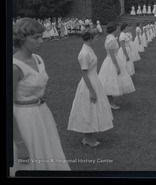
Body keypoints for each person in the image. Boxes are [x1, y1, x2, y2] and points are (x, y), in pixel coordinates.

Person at [12, 18, 70, 172]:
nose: (41, 41)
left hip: (42, 114)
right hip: (23, 121)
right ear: (22, 38)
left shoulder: (38, 59)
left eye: (41, 36)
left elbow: (38, 92)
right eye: (36, 37)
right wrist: (19, 143)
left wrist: (47, 120)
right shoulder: (14, 67)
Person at [67, 27, 113, 147]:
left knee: (94, 108)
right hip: (89, 83)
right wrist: (92, 91)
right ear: (90, 38)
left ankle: (89, 135)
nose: (97, 38)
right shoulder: (84, 53)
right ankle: (87, 137)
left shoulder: (89, 49)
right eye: (96, 36)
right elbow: (84, 72)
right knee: (88, 108)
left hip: (94, 80)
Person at [98, 22, 123, 110]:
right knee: (111, 81)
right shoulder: (111, 39)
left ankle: (110, 101)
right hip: (112, 61)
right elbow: (112, 55)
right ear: (114, 29)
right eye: (117, 28)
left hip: (111, 59)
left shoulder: (110, 37)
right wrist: (117, 66)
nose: (118, 29)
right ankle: (110, 102)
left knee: (111, 81)